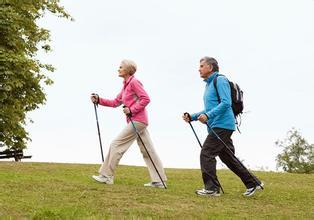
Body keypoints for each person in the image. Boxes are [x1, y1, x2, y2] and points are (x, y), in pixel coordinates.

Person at [182, 56, 263, 197]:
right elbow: (210, 108)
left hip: (223, 124)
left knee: (206, 153)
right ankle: (253, 183)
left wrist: (208, 116)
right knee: (228, 157)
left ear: (210, 67)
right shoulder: (208, 84)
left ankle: (212, 189)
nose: (199, 69)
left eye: (202, 66)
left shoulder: (220, 80)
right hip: (217, 124)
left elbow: (226, 103)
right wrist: (192, 117)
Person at [91, 59, 167, 188]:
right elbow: (115, 102)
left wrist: (132, 110)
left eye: (121, 67)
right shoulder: (126, 85)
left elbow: (146, 99)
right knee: (147, 150)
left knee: (116, 144)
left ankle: (107, 176)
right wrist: (99, 100)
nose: (118, 69)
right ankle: (159, 180)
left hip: (138, 121)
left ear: (127, 70)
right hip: (137, 121)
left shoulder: (134, 82)